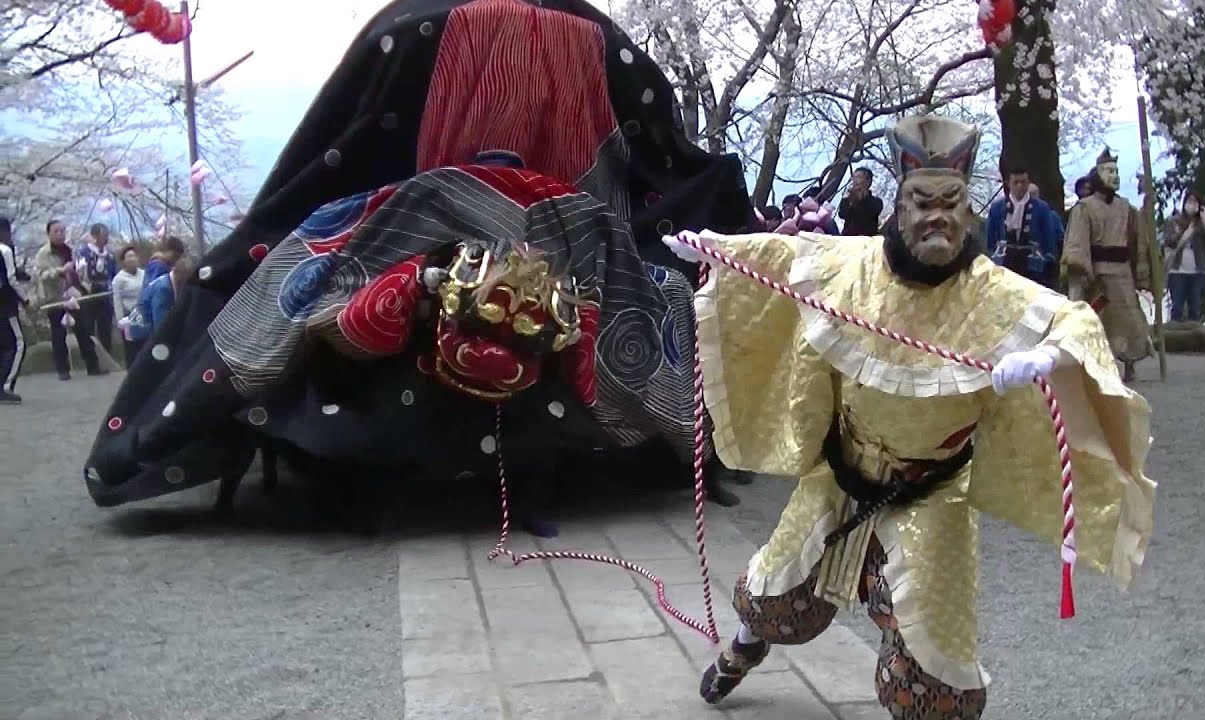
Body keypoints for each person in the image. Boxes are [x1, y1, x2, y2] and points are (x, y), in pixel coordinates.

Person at [82, 0, 754, 519]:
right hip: (528, 233)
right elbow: (664, 154)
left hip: (512, 230)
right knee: (662, 290)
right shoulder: (592, 32)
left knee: (286, 278)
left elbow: (334, 151)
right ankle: (691, 449)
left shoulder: (409, 24)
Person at [663, 114, 1155, 719]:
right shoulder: (855, 267)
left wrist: (1047, 356)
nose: (937, 216)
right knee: (778, 592)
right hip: (843, 474)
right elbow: (784, 255)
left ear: (969, 209)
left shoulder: (993, 291)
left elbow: (1071, 319)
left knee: (934, 666)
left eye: (951, 202)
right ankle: (743, 646)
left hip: (933, 489)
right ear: (898, 203)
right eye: (922, 201)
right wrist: (714, 251)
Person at [1063, 149, 1151, 382]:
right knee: (1098, 322)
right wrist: (1083, 271)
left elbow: (1136, 240)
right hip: (1098, 273)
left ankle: (1129, 363)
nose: (1114, 176)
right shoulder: (1084, 208)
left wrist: (1141, 270)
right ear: (1098, 174)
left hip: (1122, 272)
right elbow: (1077, 243)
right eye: (1109, 171)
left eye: (1116, 171)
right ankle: (1096, 365)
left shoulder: (1126, 208)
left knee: (1128, 319)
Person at [34, 220, 104, 381]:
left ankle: (93, 365)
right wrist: (60, 270)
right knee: (58, 335)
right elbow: (41, 276)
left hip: (72, 294)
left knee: (83, 330)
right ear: (49, 234)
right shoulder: (44, 253)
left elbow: (76, 272)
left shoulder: (69, 250)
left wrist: (79, 274)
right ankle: (62, 369)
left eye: (62, 231)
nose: (60, 235)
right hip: (54, 298)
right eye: (56, 231)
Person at [986, 168, 1060, 287]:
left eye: (1023, 182)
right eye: (1016, 182)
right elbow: (991, 235)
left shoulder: (1041, 208)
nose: (1020, 186)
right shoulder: (997, 207)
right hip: (1004, 261)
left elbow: (1048, 237)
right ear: (1009, 184)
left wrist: (1048, 259)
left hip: (1032, 263)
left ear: (1028, 183)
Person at [1161, 190, 1205, 323]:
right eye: (1190, 201)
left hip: (1197, 271)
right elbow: (1168, 241)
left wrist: (1203, 215)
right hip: (1177, 270)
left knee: (1195, 308)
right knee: (1177, 307)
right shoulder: (1174, 221)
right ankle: (1174, 338)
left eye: (1195, 201)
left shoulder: (1201, 223)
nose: (1192, 204)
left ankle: (1195, 339)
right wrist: (1181, 233)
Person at [1, 216, 30, 403]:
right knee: (17, 344)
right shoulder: (4, 250)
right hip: (5, 304)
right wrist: (24, 298)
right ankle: (5, 386)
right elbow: (10, 279)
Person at [129, 257, 193, 342]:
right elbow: (161, 324)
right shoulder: (163, 289)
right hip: (142, 331)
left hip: (141, 326)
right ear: (178, 275)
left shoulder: (167, 280)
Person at [78, 223, 118, 354]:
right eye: (103, 235)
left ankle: (107, 354)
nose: (106, 238)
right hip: (88, 292)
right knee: (88, 326)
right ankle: (91, 357)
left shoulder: (110, 256)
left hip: (105, 292)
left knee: (105, 326)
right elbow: (79, 274)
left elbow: (113, 274)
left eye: (107, 235)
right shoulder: (84, 252)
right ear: (95, 236)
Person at [111, 246, 146, 366]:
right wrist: (120, 319)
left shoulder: (144, 274)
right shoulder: (119, 279)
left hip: (143, 313)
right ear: (123, 261)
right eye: (129, 256)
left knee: (144, 345)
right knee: (131, 348)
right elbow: (117, 298)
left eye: (134, 256)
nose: (132, 259)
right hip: (128, 315)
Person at [838, 166, 884, 236]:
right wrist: (850, 202)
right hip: (847, 239)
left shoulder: (876, 202)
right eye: (854, 177)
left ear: (868, 181)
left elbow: (869, 213)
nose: (855, 180)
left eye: (859, 177)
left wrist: (861, 199)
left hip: (866, 240)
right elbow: (842, 214)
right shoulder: (847, 199)